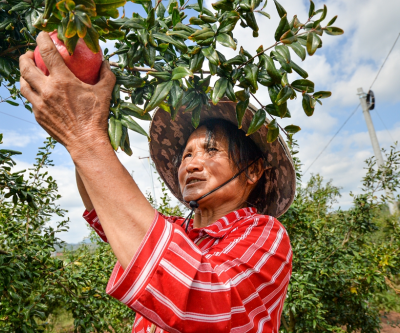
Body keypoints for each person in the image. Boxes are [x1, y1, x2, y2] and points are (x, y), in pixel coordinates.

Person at [19, 32, 296, 333]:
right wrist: (78, 136)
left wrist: (84, 135)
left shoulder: (265, 234)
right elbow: (104, 209)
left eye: (211, 149)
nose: (191, 163)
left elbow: (204, 304)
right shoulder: (175, 231)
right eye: (187, 154)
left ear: (253, 171)